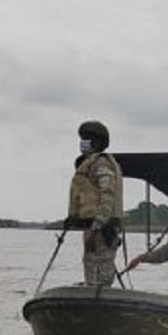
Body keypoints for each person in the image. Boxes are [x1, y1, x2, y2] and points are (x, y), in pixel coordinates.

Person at [65, 120, 123, 286]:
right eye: (83, 138)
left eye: (88, 138)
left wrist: (96, 226)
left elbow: (108, 194)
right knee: (91, 267)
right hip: (93, 227)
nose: (83, 142)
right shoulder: (89, 164)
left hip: (102, 229)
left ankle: (99, 298)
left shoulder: (101, 164)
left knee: (100, 271)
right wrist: (74, 218)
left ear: (98, 142)